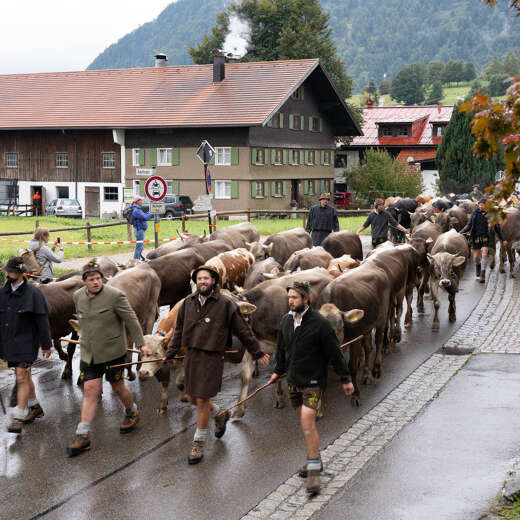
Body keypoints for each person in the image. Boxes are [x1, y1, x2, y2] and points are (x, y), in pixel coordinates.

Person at [163, 265, 270, 465]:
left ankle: (198, 443)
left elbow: (243, 330)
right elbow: (178, 331)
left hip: (212, 357)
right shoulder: (188, 302)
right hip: (192, 356)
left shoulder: (225, 304)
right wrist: (169, 353)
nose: (202, 281)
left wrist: (257, 352)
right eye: (199, 278)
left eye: (206, 278)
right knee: (193, 397)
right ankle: (220, 413)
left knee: (202, 400)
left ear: (214, 281)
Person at [268, 281, 354, 495]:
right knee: (307, 425)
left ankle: (314, 473)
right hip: (293, 381)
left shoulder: (320, 324)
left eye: (295, 297)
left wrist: (345, 378)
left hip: (314, 381)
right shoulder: (286, 321)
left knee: (307, 421)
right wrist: (278, 370)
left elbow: (335, 352)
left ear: (306, 299)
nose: (290, 301)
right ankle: (315, 458)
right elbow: (281, 349)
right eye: (289, 297)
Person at [67, 260, 145, 457]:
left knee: (117, 386)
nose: (96, 282)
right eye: (91, 279)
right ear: (84, 281)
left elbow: (131, 319)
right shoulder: (77, 297)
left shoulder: (115, 296)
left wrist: (141, 343)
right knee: (90, 391)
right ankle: (83, 435)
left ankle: (132, 411)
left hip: (112, 352)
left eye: (98, 278)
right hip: (89, 353)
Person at [0, 257, 52, 434]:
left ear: (21, 273)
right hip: (9, 344)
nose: (8, 274)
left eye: (11, 271)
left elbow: (42, 322)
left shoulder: (34, 294)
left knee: (21, 377)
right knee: (24, 375)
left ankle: (19, 417)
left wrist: (46, 345)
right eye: (7, 271)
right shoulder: (2, 293)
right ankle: (34, 406)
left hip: (27, 344)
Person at [459, 198, 507, 283]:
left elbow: (498, 228)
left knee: (484, 254)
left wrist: (503, 239)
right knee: (476, 257)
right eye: (480, 204)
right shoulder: (474, 213)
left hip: (487, 237)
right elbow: (469, 225)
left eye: (482, 204)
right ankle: (478, 265)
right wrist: (460, 232)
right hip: (476, 236)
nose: (480, 206)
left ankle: (483, 273)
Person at [130, 196, 152, 260]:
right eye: (141, 200)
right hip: (139, 230)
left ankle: (138, 258)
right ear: (137, 201)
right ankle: (136, 260)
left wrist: (150, 211)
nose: (142, 201)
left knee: (141, 246)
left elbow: (144, 215)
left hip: (140, 229)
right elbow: (145, 217)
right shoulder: (136, 210)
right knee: (139, 247)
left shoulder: (137, 208)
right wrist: (151, 212)